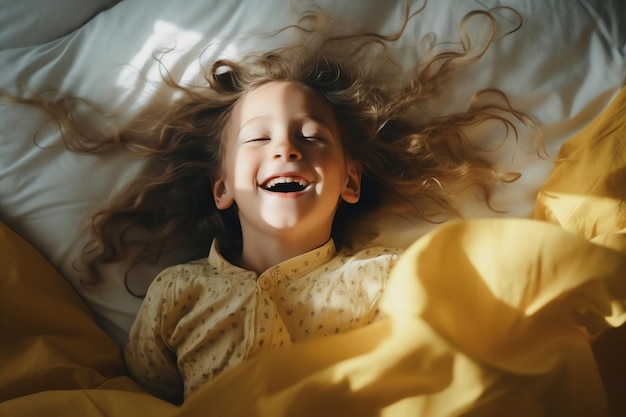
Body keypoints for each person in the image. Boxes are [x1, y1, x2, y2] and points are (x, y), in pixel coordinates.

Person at [11, 1, 534, 405]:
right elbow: (148, 394)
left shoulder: (385, 278)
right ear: (223, 187)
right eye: (258, 140)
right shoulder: (178, 292)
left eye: (310, 136)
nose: (286, 147)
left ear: (350, 181)